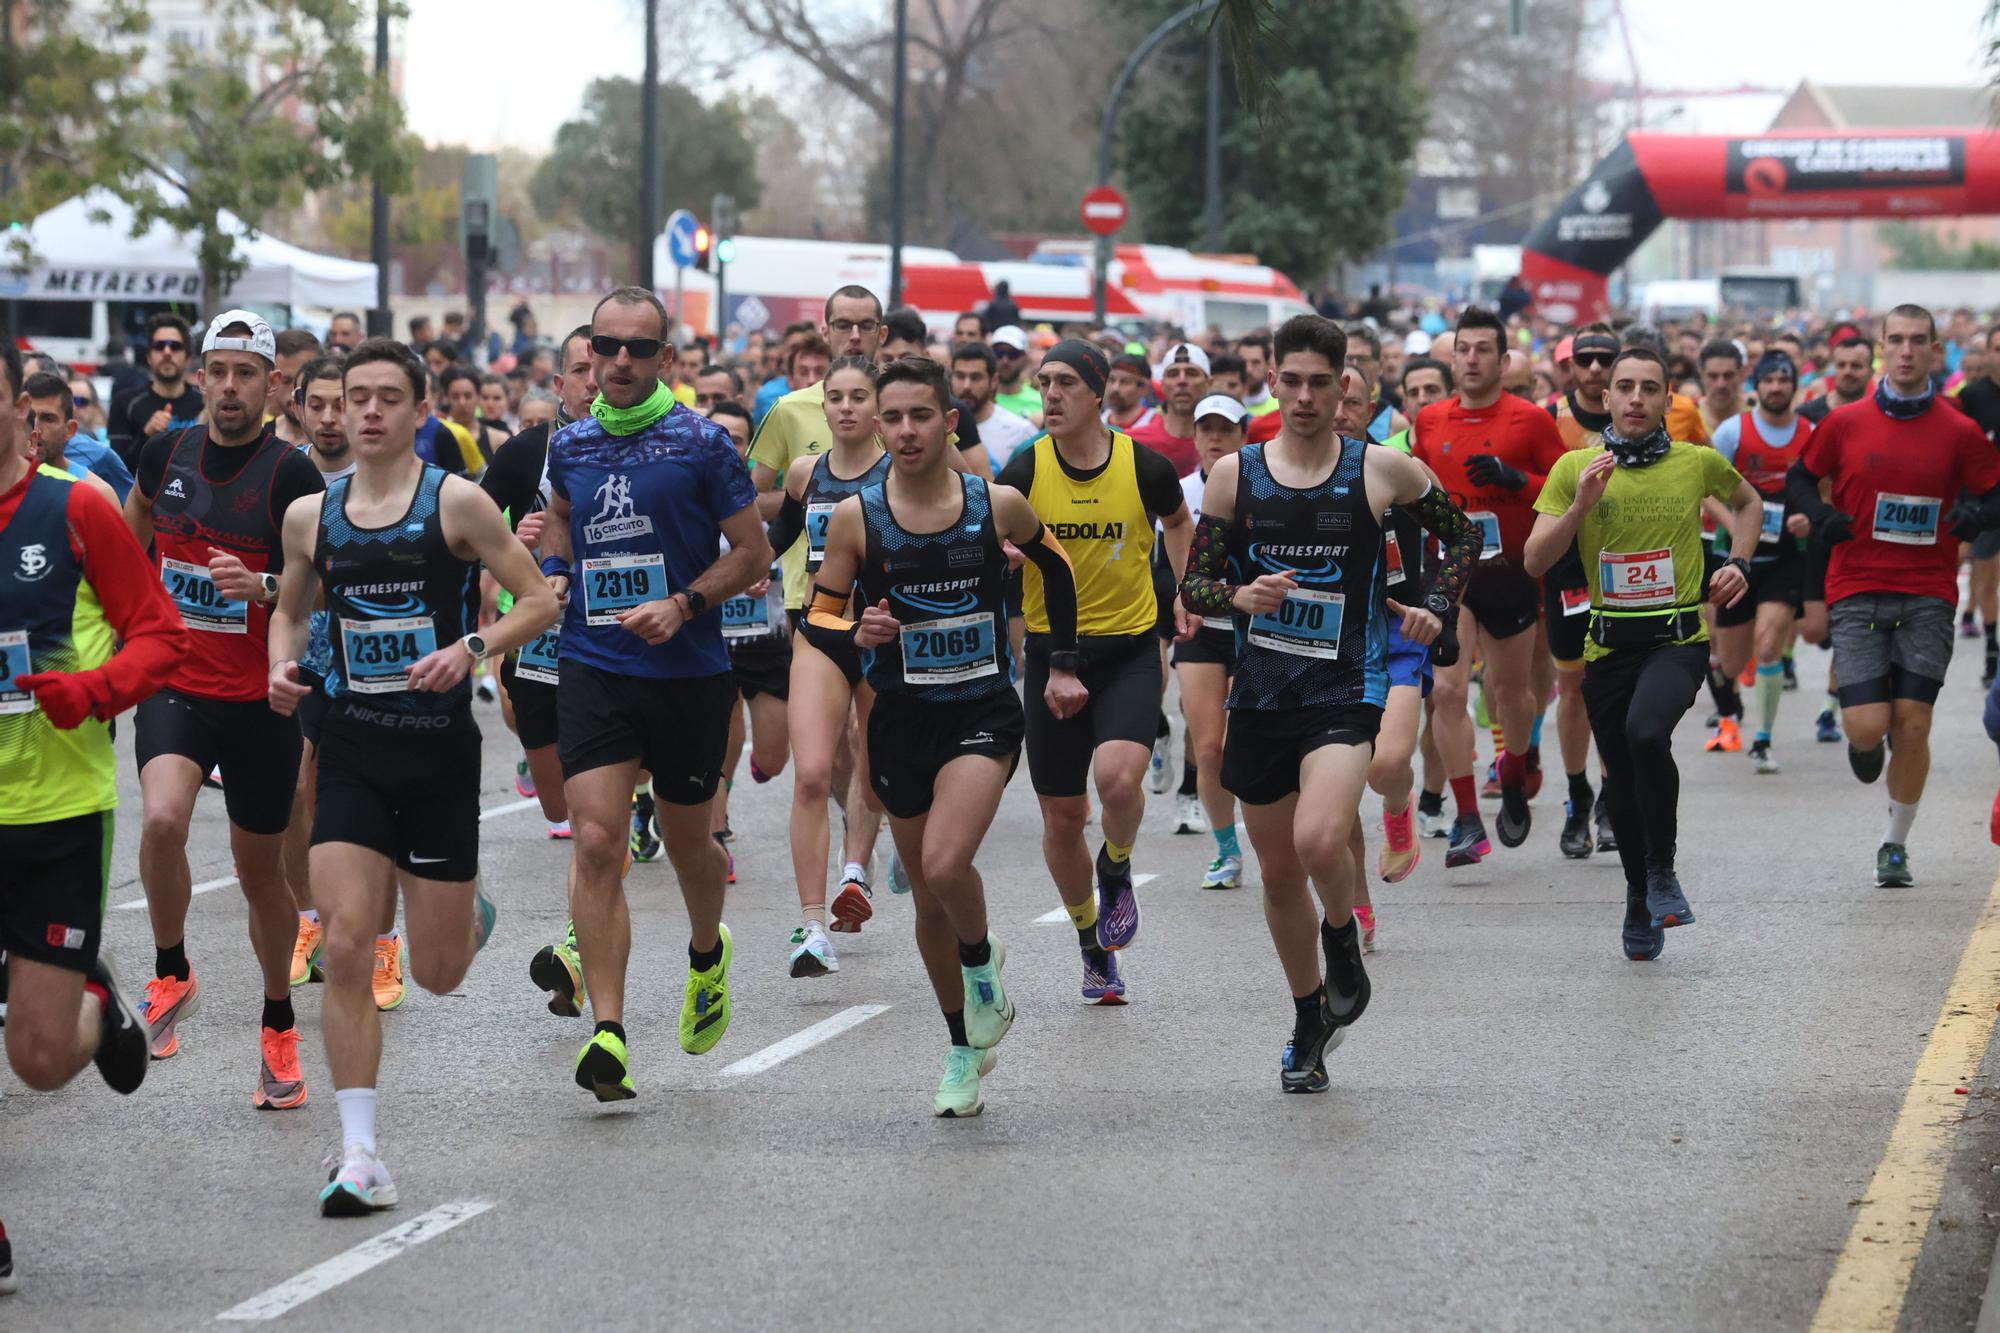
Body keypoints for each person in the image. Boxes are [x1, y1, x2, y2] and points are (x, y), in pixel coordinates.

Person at [267, 337, 556, 1214]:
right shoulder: (312, 517)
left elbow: (540, 600)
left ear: (419, 410)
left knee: (436, 973)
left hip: (435, 749)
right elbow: (288, 611)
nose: (366, 411)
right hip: (350, 743)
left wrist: (468, 648)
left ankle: (462, 912)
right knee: (346, 946)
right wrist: (281, 667)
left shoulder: (458, 503)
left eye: (388, 396)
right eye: (355, 395)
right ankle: (360, 1153)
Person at [1182, 314, 1478, 1092]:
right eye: (1293, 380)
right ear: (1271, 379)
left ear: (1345, 382)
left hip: (1349, 688)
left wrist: (1438, 608)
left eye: (1323, 381)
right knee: (1278, 872)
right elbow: (1195, 585)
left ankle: (1341, 935)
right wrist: (1240, 595)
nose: (1307, 395)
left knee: (1320, 839)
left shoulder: (1381, 470)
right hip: (1263, 695)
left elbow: (1463, 537)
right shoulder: (1234, 476)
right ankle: (1309, 1014)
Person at [807, 354, 1081, 1114]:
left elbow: (1056, 567)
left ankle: (981, 958)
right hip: (899, 719)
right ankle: (963, 1044)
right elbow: (820, 609)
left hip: (981, 712)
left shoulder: (993, 503)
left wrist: (1062, 661)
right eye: (890, 417)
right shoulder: (857, 516)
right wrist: (856, 625)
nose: (902, 430)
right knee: (928, 894)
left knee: (943, 858)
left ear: (948, 422)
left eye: (918, 415)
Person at [537, 287, 771, 1100]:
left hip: (688, 672)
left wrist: (684, 604)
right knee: (599, 841)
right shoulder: (569, 445)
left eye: (640, 349)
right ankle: (610, 1030)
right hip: (595, 664)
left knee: (686, 843)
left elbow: (754, 554)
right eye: (608, 347)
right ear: (590, 353)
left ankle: (708, 952)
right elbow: (561, 518)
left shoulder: (703, 443)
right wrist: (558, 572)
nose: (622, 361)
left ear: (667, 359)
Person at [121, 310, 326, 1100]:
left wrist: (266, 585)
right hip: (178, 681)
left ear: (273, 384)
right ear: (199, 376)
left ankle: (276, 1019)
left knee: (259, 873)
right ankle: (172, 967)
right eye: (219, 371)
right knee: (163, 818)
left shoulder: (291, 477)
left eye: (247, 373)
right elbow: (129, 535)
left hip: (259, 698)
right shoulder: (164, 451)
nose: (231, 387)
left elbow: (318, 587)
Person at [0, 339, 165, 1274]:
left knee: (37, 1058)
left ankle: (98, 1002)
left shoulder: (77, 508)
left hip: (57, 807)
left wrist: (93, 691)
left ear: (20, 407)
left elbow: (158, 636)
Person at [1526, 345, 1762, 959]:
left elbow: (1748, 503)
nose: (1635, 398)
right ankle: (1639, 894)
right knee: (1622, 780)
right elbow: (1533, 560)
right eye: (1624, 387)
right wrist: (1580, 505)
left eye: (1649, 388)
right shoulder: (1574, 466)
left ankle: (1663, 869)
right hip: (1606, 647)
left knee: (1647, 732)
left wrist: (1739, 562)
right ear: (1604, 398)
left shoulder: (1695, 461)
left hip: (1676, 641)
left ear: (1667, 400)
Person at [996, 340, 1193, 1004]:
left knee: (1116, 779)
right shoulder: (1024, 470)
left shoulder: (1146, 467)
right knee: (1060, 816)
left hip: (1130, 648)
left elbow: (1178, 520)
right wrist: (1004, 558)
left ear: (1097, 392)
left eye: (1065, 384)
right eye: (1043, 381)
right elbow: (991, 540)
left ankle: (1116, 864)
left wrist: (1182, 590)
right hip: (1053, 656)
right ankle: (1093, 947)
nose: (1050, 394)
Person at [1786, 305, 2000, 888]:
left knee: (1913, 723)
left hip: (1928, 592)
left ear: (1935, 351)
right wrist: (1821, 515)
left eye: (1918, 341)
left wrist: (1976, 514)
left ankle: (1894, 844)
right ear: (1883, 347)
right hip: (1855, 587)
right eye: (1897, 340)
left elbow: (1996, 490)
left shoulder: (1958, 429)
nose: (1907, 351)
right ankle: (1862, 741)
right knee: (1865, 726)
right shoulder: (1845, 422)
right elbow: (1800, 477)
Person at [1412, 306, 1568, 863]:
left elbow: (1563, 489)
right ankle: (1468, 818)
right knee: (1449, 692)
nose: (1472, 358)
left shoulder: (1530, 420)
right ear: (1451, 357)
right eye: (1463, 349)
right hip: (1452, 576)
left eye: (1484, 349)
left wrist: (1514, 479)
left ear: (1503, 360)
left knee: (1511, 696)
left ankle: (1519, 769)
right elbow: (1414, 490)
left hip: (1511, 575)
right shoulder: (1429, 421)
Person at [278, 351, 407, 1010]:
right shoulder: (282, 474)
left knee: (368, 800)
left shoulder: (393, 471)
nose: (331, 417)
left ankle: (383, 938)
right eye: (318, 403)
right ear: (297, 403)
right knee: (296, 787)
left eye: (343, 403)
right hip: (305, 656)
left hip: (375, 660)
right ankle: (309, 922)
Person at [763, 357, 892, 973]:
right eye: (834, 396)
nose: (844, 407)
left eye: (858, 396)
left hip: (887, 637)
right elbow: (775, 540)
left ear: (877, 407)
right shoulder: (804, 472)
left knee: (875, 769)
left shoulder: (902, 471)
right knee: (812, 773)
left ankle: (856, 873)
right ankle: (814, 924)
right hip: (820, 630)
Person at [1709, 350, 1813, 774]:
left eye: (1782, 380)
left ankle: (1763, 739)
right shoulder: (1733, 432)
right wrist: (1736, 525)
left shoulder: (1812, 432)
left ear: (1793, 386)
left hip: (1786, 557)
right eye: (1767, 380)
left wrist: (1813, 516)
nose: (1775, 387)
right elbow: (1706, 489)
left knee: (1770, 644)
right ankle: (1734, 684)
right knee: (1731, 663)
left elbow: (1826, 487)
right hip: (1736, 557)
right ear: (1756, 386)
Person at [1545, 327, 1620, 857]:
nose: (1594, 369)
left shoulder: (1640, 419)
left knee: (1614, 690)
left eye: (1605, 360)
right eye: (1585, 359)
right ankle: (1577, 795)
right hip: (1567, 572)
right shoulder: (1549, 417)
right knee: (1572, 689)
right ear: (1570, 366)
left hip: (1623, 569)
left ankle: (1612, 799)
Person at [1172, 395, 1250, 889]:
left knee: (1248, 745)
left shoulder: (1262, 486)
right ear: (1194, 436)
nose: (1215, 439)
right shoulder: (1179, 493)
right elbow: (1173, 564)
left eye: (1226, 429)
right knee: (1209, 748)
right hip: (1201, 631)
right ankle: (1227, 851)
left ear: (1244, 435)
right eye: (1206, 429)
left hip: (1251, 630)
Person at [20, 373, 129, 505]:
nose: (36, 428)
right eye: (29, 417)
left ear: (70, 429)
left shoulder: (97, 493)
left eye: (48, 419)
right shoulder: (6, 486)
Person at [117, 313, 204, 468]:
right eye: (159, 346)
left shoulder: (205, 404)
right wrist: (146, 435)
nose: (167, 352)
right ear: (149, 356)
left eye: (175, 346)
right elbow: (118, 472)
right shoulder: (125, 402)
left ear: (188, 357)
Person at [951, 341, 1037, 472]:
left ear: (993, 381)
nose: (966, 386)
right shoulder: (939, 428)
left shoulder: (1020, 431)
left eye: (976, 377)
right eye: (960, 376)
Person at [1129, 342, 1210, 476]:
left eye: (1191, 373)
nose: (1182, 381)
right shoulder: (1133, 442)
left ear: (1209, 383)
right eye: (1173, 374)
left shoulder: (1222, 444)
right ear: (1162, 384)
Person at [988, 326, 1042, 421]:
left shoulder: (1040, 403)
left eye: (1013, 354)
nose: (1005, 360)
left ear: (1025, 357)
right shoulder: (981, 400)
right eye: (999, 353)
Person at [1103, 353, 1159, 434]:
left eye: (1125, 382)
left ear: (1144, 388)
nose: (1115, 388)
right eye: (1111, 380)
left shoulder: (1156, 424)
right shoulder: (1096, 422)